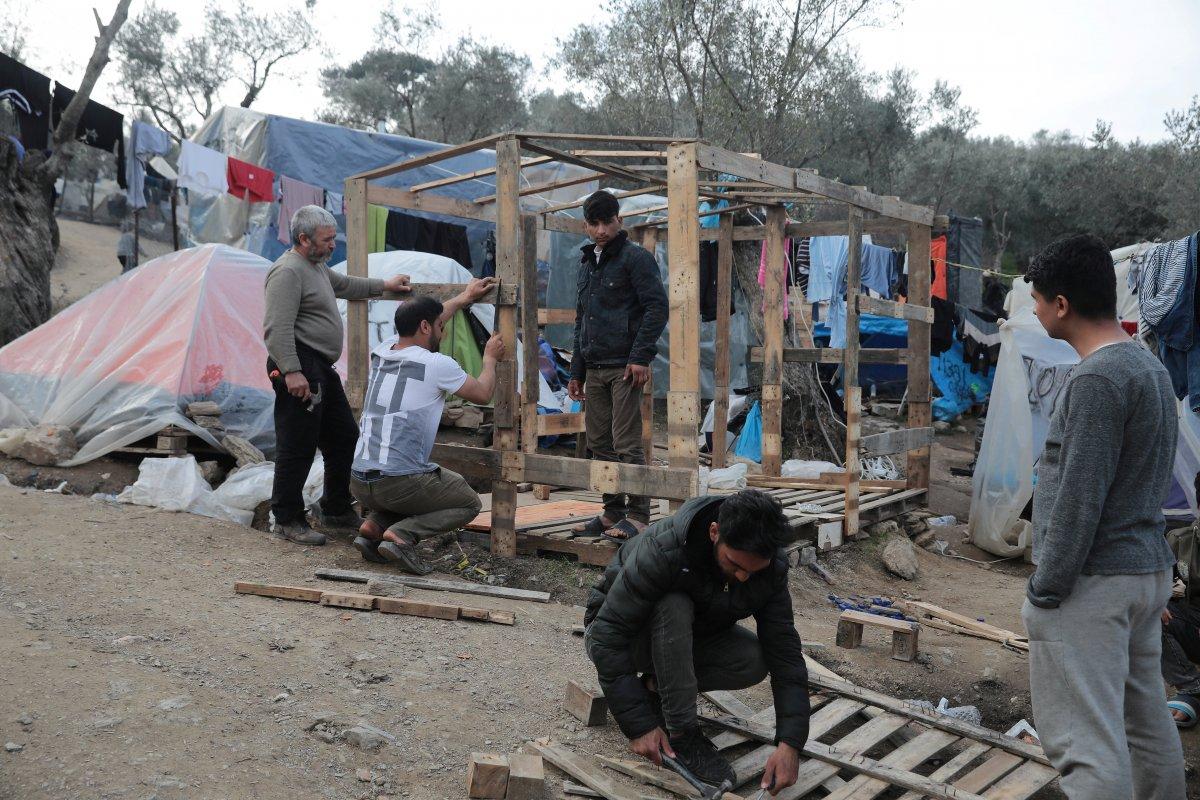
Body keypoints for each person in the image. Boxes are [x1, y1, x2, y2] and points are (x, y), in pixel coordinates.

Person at [1022, 233, 1186, 799]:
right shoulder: (1149, 369)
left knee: (1086, 747)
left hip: (1094, 583)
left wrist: (1046, 588)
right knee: (1146, 724)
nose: (1037, 311)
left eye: (1039, 300)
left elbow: (1078, 499)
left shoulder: (1096, 380)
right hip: (1145, 574)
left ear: (1061, 305)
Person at [584, 489, 808, 794]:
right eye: (735, 565)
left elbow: (785, 653)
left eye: (752, 571)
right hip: (618, 636)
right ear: (714, 532)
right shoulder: (664, 549)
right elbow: (607, 636)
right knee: (674, 603)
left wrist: (790, 743)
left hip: (683, 639)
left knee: (753, 660)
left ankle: (653, 690)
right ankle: (683, 736)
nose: (743, 577)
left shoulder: (769, 570)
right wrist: (639, 726)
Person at [263, 204, 411, 546]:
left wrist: (384, 285)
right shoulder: (287, 271)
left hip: (318, 367)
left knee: (344, 437)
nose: (333, 245)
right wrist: (291, 371)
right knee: (297, 444)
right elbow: (276, 328)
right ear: (303, 239)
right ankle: (286, 518)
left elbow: (345, 284)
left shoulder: (315, 266)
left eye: (333, 238)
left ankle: (335, 508)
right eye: (327, 239)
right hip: (299, 365)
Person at [350, 286, 504, 573]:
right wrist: (489, 359)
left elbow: (427, 318)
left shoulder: (383, 351)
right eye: (440, 327)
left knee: (404, 477)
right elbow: (483, 393)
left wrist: (462, 299)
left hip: (360, 481)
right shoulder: (437, 364)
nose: (442, 332)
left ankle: (374, 525)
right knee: (468, 502)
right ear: (425, 327)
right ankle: (402, 535)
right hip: (397, 483)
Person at [567, 190, 668, 542]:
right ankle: (612, 512)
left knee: (627, 442)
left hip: (625, 366)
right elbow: (582, 320)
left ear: (619, 221)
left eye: (606, 222)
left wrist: (640, 356)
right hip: (593, 366)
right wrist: (575, 371)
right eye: (593, 224)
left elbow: (657, 308)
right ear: (586, 225)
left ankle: (639, 516)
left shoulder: (635, 259)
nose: (600, 231)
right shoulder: (586, 263)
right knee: (598, 442)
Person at [1163, 485, 1200, 728]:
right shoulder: (1180, 539)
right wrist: (1159, 601)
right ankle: (1191, 687)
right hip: (1194, 622)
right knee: (1145, 611)